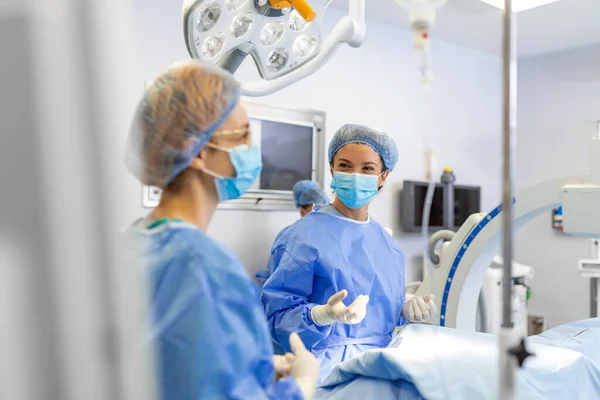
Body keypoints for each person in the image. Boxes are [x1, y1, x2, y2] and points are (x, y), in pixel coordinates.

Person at [124, 61, 319, 400]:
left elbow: (171, 368)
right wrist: (299, 387)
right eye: (242, 135)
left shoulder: (133, 243)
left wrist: (249, 366)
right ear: (197, 151)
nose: (252, 148)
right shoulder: (204, 268)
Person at [261, 124, 437, 383]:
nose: (355, 174)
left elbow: (379, 307)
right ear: (332, 169)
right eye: (345, 166)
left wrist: (404, 307)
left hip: (381, 366)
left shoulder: (388, 244)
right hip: (322, 373)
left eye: (367, 168)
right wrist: (321, 315)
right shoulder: (301, 236)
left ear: (383, 176)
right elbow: (278, 319)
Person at [255, 180, 329, 285]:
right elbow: (278, 279)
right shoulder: (287, 238)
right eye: (315, 211)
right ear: (302, 212)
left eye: (323, 210)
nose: (320, 216)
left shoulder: (330, 235)